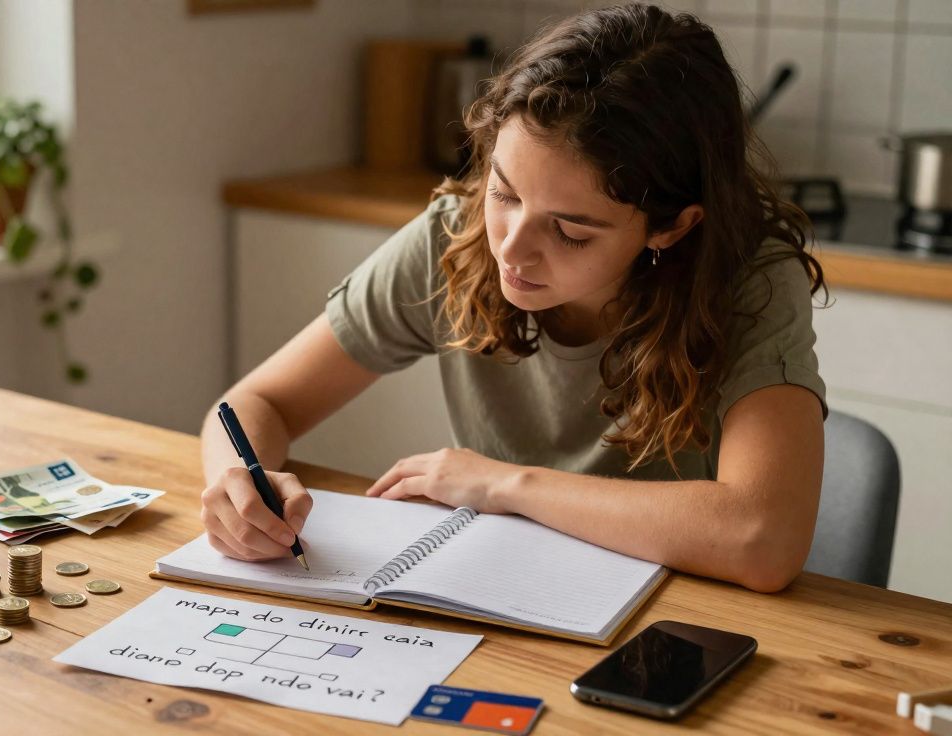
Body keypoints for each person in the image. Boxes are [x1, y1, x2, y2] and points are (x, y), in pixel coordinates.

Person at [199, 3, 828, 593]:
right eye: (504, 193)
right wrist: (236, 484)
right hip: (496, 592)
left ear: (671, 227)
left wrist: (504, 484)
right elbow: (256, 403)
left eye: (570, 230)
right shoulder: (457, 235)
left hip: (669, 617)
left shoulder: (751, 281)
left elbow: (762, 538)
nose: (512, 249)